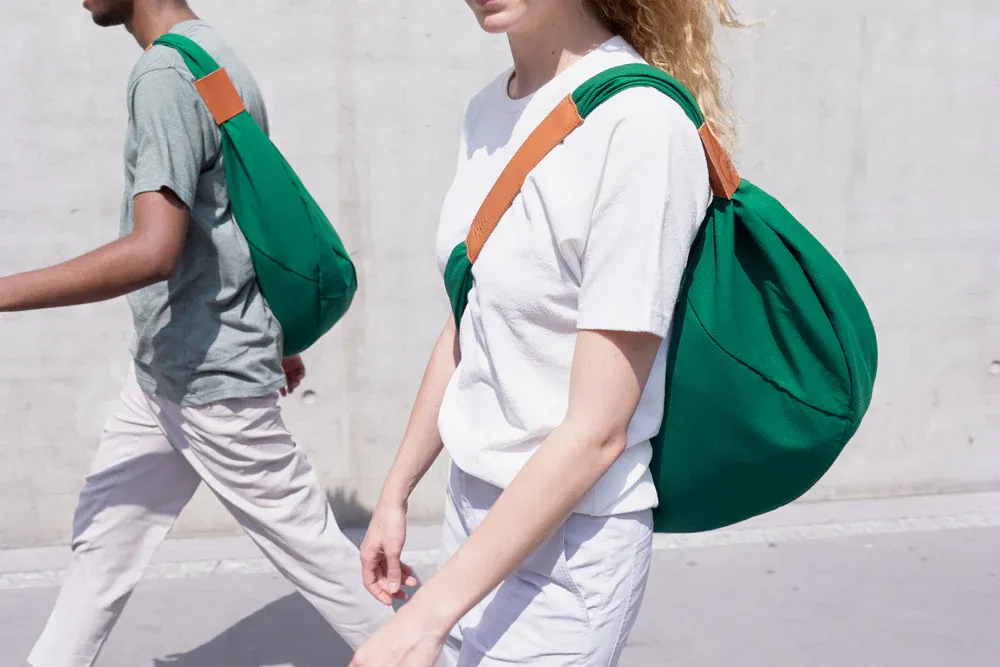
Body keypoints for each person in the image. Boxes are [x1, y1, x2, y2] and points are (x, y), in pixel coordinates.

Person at [0, 2, 396, 665]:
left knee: (327, 567)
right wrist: (271, 332)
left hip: (211, 383)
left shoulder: (163, 75)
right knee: (102, 546)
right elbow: (245, 217)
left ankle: (434, 655)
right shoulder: (213, 57)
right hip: (166, 373)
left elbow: (153, 250)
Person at [352, 0, 743, 665]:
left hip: (570, 543)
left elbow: (597, 431)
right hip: (471, 516)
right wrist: (395, 491)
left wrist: (426, 617)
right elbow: (470, 321)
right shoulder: (485, 112)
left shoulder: (640, 125)